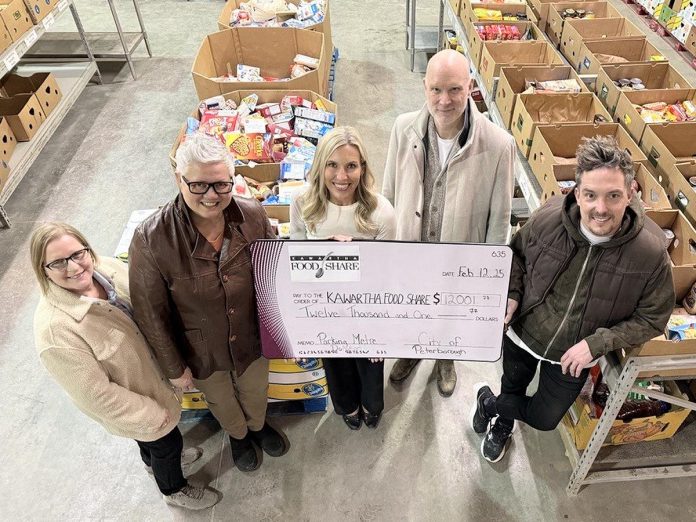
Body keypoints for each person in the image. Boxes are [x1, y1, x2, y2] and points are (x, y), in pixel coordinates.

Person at [469, 136, 675, 463]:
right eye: (590, 195)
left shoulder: (650, 254)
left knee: (545, 418)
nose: (600, 208)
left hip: (573, 355)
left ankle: (490, 405)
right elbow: (515, 258)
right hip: (524, 333)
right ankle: (503, 420)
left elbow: (653, 318)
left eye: (613, 196)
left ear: (631, 193)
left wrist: (597, 343)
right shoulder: (549, 218)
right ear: (577, 192)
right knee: (513, 384)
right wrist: (512, 293)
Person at [31, 223, 221, 510]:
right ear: (43, 269)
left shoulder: (107, 268)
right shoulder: (56, 332)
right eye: (58, 262)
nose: (73, 267)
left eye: (77, 254)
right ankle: (173, 488)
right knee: (166, 446)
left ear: (87, 248)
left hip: (156, 383)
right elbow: (95, 395)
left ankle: (152, 462)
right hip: (140, 406)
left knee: (154, 446)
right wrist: (150, 415)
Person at [128, 133, 287, 474]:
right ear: (178, 179)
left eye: (221, 185)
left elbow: (276, 274)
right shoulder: (151, 239)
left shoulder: (252, 215)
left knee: (256, 389)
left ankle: (258, 426)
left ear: (233, 180)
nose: (212, 196)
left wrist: (288, 330)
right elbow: (150, 314)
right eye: (198, 185)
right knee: (221, 399)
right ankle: (238, 435)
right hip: (200, 348)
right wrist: (174, 368)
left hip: (251, 337)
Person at [382, 49, 516, 397]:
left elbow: (500, 219)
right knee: (413, 309)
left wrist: (488, 278)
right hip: (411, 250)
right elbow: (389, 194)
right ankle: (414, 351)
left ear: (470, 86)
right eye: (436, 90)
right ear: (425, 87)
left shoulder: (499, 145)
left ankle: (445, 356)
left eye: (455, 89)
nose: (444, 101)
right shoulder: (403, 128)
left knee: (448, 313)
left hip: (459, 262)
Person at [291, 126, 396, 430]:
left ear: (363, 168)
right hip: (325, 310)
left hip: (367, 311)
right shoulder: (303, 203)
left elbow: (388, 276)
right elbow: (296, 257)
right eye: (332, 165)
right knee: (337, 367)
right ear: (320, 166)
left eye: (351, 166)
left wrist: (381, 332)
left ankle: (371, 408)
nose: (342, 176)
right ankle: (348, 407)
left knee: (370, 369)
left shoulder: (381, 213)